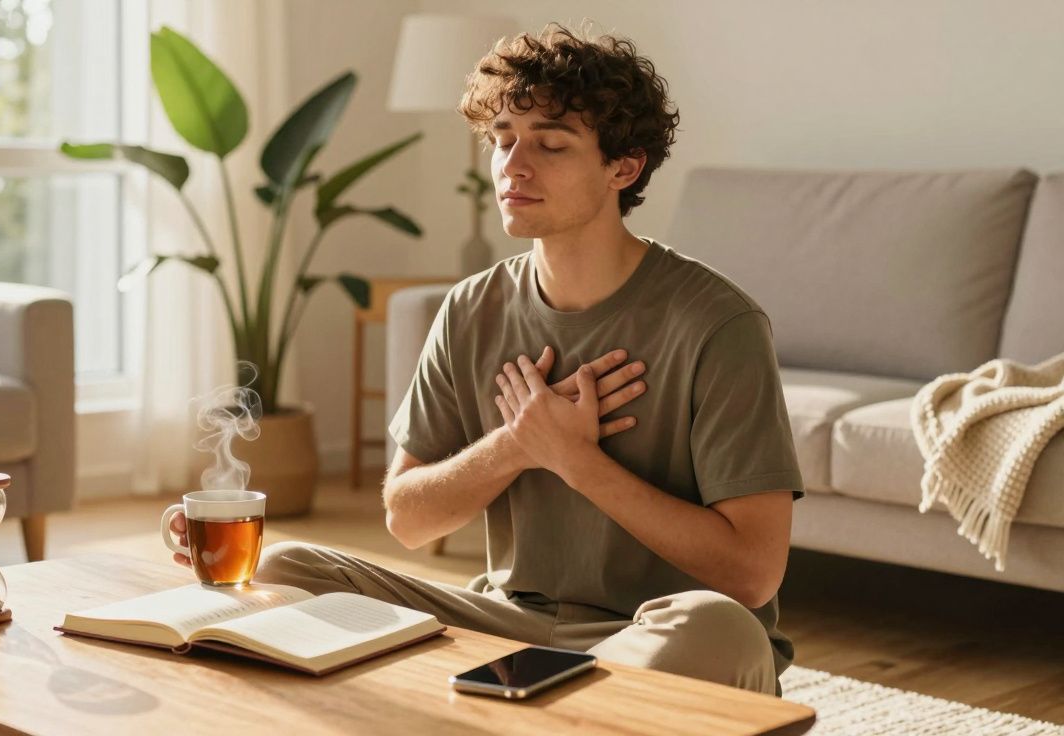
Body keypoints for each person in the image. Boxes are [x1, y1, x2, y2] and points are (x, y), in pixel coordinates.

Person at [170, 23, 803, 696]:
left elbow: (752, 574)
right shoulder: (472, 308)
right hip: (506, 624)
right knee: (287, 570)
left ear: (624, 166)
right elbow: (407, 518)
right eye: (502, 141)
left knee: (721, 630)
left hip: (654, 634)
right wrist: (515, 445)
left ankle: (524, 705)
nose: (513, 165)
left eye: (550, 145)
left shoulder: (717, 324)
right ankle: (536, 706)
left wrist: (578, 461)